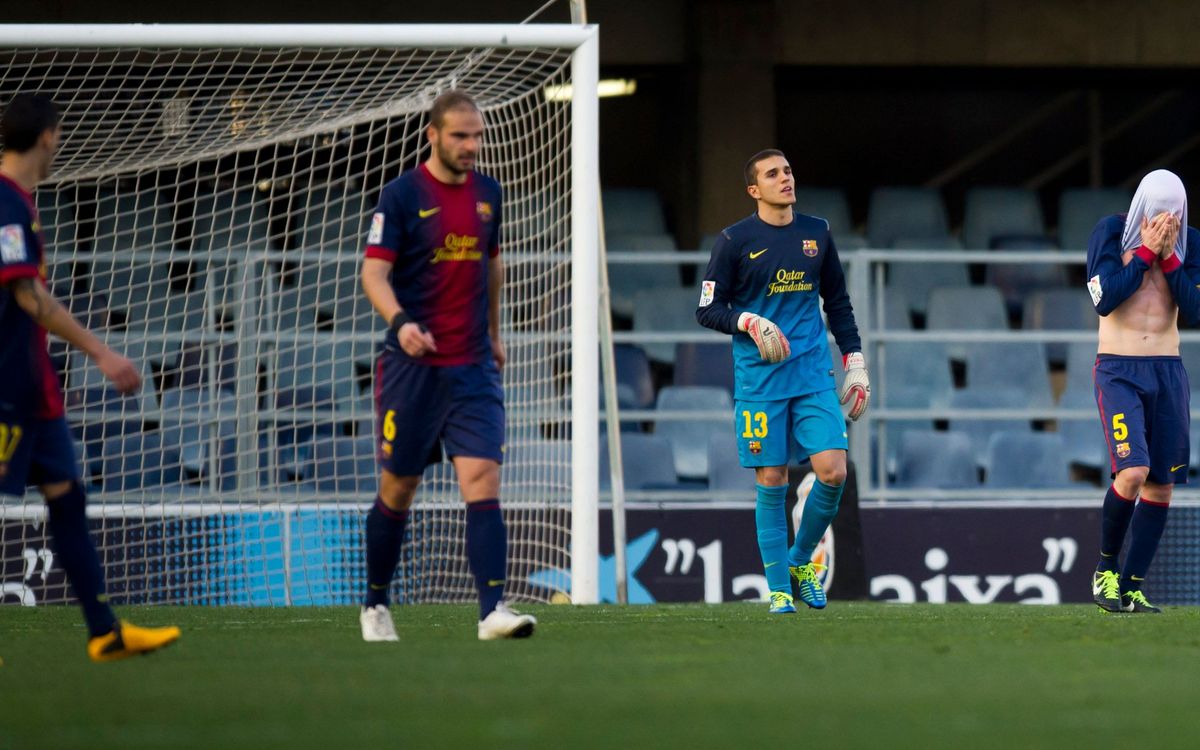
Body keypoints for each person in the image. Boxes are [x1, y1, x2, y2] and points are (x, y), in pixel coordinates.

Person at [0, 93, 180, 660]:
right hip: (5, 386)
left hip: (35, 390)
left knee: (69, 501)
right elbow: (27, 296)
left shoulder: (21, 201)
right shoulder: (5, 203)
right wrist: (102, 353)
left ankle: (104, 631)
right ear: (49, 136)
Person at [358, 90, 535, 641]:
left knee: (482, 479)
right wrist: (400, 322)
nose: (471, 146)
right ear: (432, 135)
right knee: (399, 489)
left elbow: (493, 265)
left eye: (476, 136)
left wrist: (495, 333)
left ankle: (491, 611)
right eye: (460, 135)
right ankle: (376, 604)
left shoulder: (489, 194)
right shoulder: (403, 194)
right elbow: (373, 274)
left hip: (473, 367)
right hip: (413, 370)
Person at [696, 149, 869, 613]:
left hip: (812, 373)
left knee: (833, 471)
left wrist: (855, 360)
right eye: (773, 174)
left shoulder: (817, 232)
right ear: (755, 190)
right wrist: (748, 321)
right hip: (760, 381)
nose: (785, 178)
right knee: (772, 478)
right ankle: (777, 591)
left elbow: (838, 302)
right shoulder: (733, 241)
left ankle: (798, 561)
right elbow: (707, 309)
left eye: (788, 170)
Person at [1086, 168, 1200, 614]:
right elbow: (1103, 298)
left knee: (1160, 485)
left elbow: (1193, 308)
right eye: (1158, 213)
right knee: (1132, 472)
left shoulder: (1190, 242)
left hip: (1168, 370)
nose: (1166, 221)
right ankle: (1106, 569)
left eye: (1174, 213)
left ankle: (1132, 585)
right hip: (1119, 369)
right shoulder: (1111, 232)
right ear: (1141, 208)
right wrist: (1145, 253)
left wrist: (1169, 260)